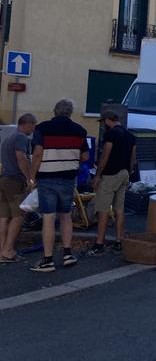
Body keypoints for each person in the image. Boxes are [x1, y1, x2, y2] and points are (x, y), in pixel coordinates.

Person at [30, 99, 88, 272]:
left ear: (54, 111)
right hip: (69, 178)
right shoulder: (80, 130)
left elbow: (38, 154)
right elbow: (85, 157)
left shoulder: (42, 128)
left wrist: (31, 178)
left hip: (47, 179)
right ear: (70, 112)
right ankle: (68, 254)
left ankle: (47, 260)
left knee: (48, 217)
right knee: (66, 215)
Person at [88, 110, 137, 256]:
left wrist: (97, 176)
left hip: (110, 175)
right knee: (119, 209)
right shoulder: (130, 136)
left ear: (109, 120)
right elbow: (133, 157)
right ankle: (119, 241)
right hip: (124, 174)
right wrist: (130, 171)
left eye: (104, 122)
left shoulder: (110, 134)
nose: (103, 125)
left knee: (103, 209)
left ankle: (99, 244)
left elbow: (105, 156)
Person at [0, 113, 36, 263]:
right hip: (15, 181)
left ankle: (2, 250)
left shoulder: (7, 138)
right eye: (33, 126)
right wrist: (29, 178)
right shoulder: (21, 137)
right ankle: (8, 251)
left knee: (3, 217)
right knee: (19, 215)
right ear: (27, 124)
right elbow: (21, 157)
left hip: (4, 180)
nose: (33, 129)